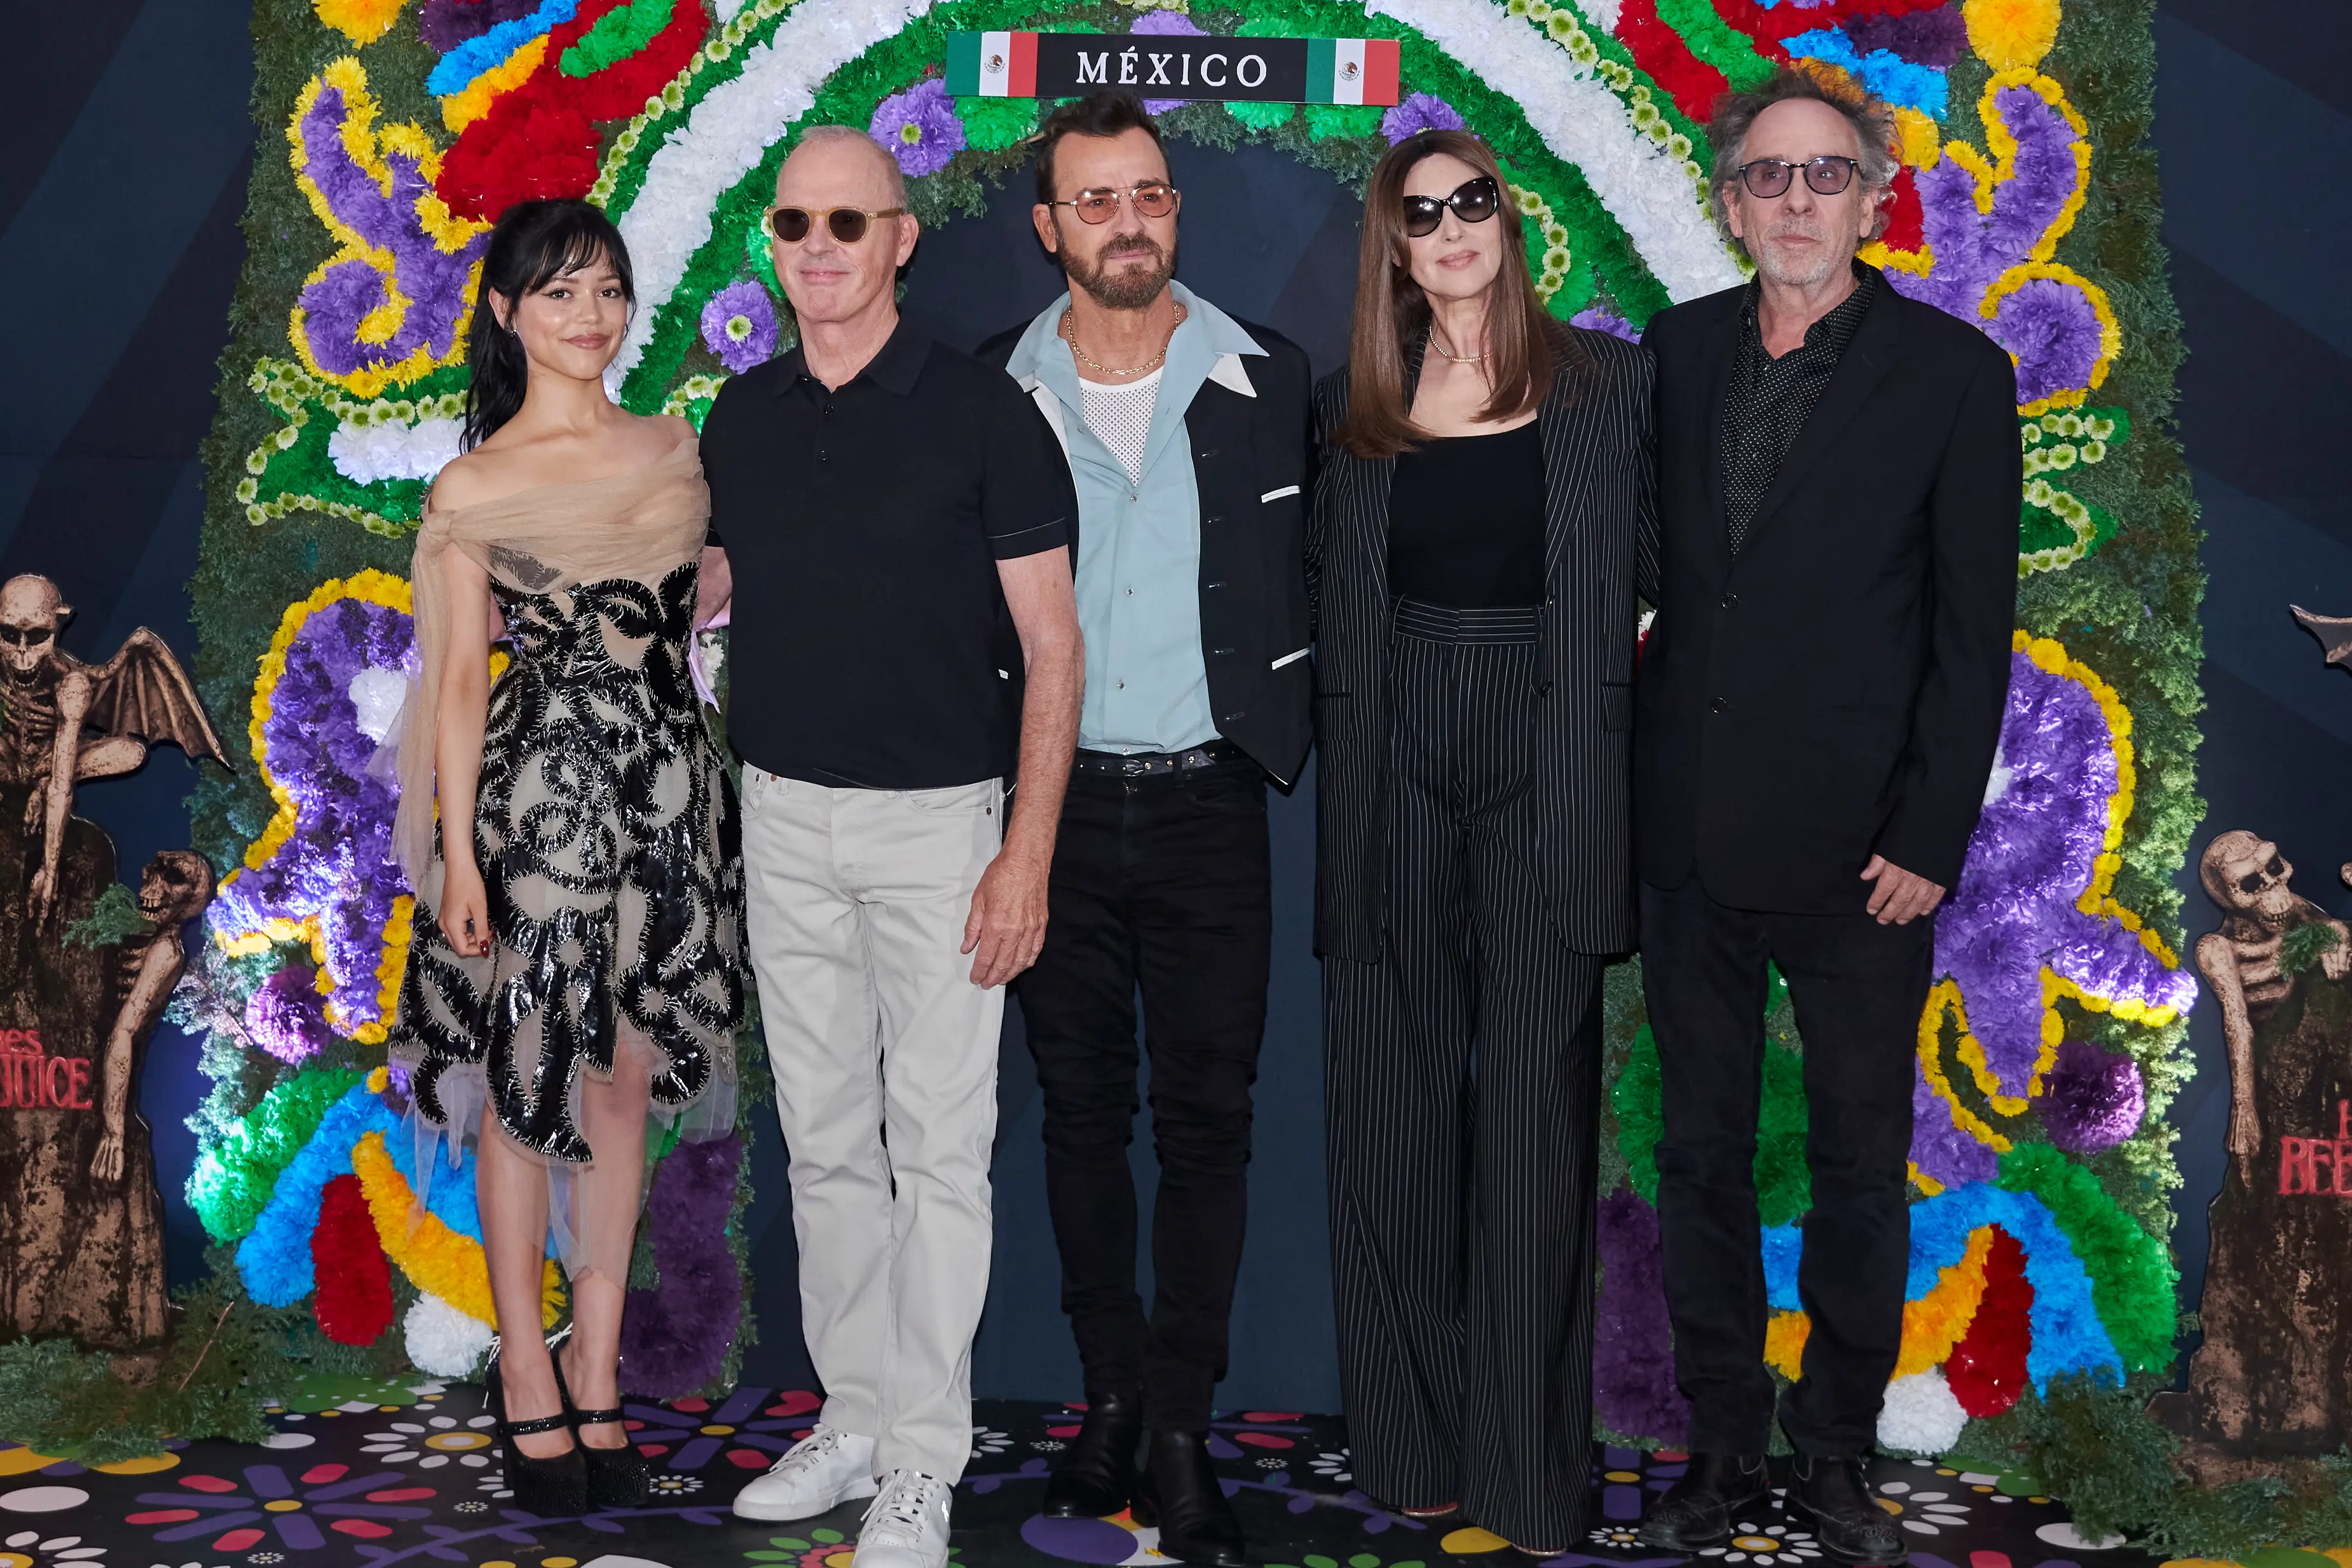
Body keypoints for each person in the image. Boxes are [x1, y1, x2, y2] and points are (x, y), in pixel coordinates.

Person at [1633, 70, 2018, 1564]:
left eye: (1823, 174)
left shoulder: (1951, 375)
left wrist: (1927, 837)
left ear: (1871, 197)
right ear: (1730, 203)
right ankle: (1722, 1449)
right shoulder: (1672, 355)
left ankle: (1837, 1456)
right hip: (1687, 839)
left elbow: (1969, 634)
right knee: (1699, 1161)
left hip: (1867, 859)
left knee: (1858, 1170)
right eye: (1767, 175)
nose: (1794, 200)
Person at [703, 126, 1083, 1568]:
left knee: (938, 1152)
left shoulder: (986, 415)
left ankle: (923, 1457)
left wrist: (1024, 853)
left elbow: (1054, 648)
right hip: (780, 817)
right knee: (823, 1146)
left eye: (848, 222)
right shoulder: (739, 417)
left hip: (941, 829)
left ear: (901, 238)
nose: (819, 247)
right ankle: (855, 1414)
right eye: (794, 222)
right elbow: (717, 581)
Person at [976, 92, 1313, 1568]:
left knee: (1206, 1125)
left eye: (1149, 194)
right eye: (1096, 200)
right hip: (1048, 815)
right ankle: (1106, 1399)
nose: (1129, 222)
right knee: (1076, 1122)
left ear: (1176, 208)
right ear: (1048, 227)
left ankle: (1179, 1427)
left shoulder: (1270, 379)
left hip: (1208, 808)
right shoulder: (992, 393)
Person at [1308, 128, 1653, 1556]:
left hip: (1548, 758)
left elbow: (1674, 566)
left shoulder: (1610, 386)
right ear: (1392, 246)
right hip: (1390, 750)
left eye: (1473, 202)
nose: (1451, 227)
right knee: (1389, 1111)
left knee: (1530, 1120)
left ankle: (1525, 1471)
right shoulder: (1350, 409)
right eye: (1421, 212)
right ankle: (1409, 1444)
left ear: (1509, 221)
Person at [391, 198, 745, 1518]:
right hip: (539, 809)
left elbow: (704, 595)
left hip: (668, 799)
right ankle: (526, 1373)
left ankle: (597, 1373)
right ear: (506, 313)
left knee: (622, 1078)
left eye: (606, 289)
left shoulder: (678, 447)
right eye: (558, 293)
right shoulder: (472, 488)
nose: (589, 315)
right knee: (525, 1075)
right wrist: (457, 861)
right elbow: (458, 684)